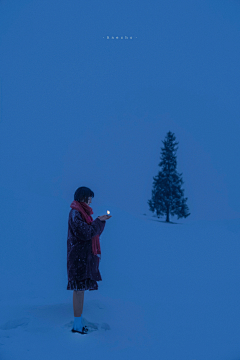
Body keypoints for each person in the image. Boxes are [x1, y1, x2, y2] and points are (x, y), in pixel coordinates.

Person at [66, 186, 112, 334]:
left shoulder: (82, 213)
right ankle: (77, 325)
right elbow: (86, 233)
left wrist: (98, 221)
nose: (91, 201)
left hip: (83, 259)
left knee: (80, 291)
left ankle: (78, 324)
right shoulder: (75, 213)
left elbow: (90, 230)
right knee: (78, 291)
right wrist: (99, 221)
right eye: (89, 198)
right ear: (83, 197)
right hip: (78, 259)